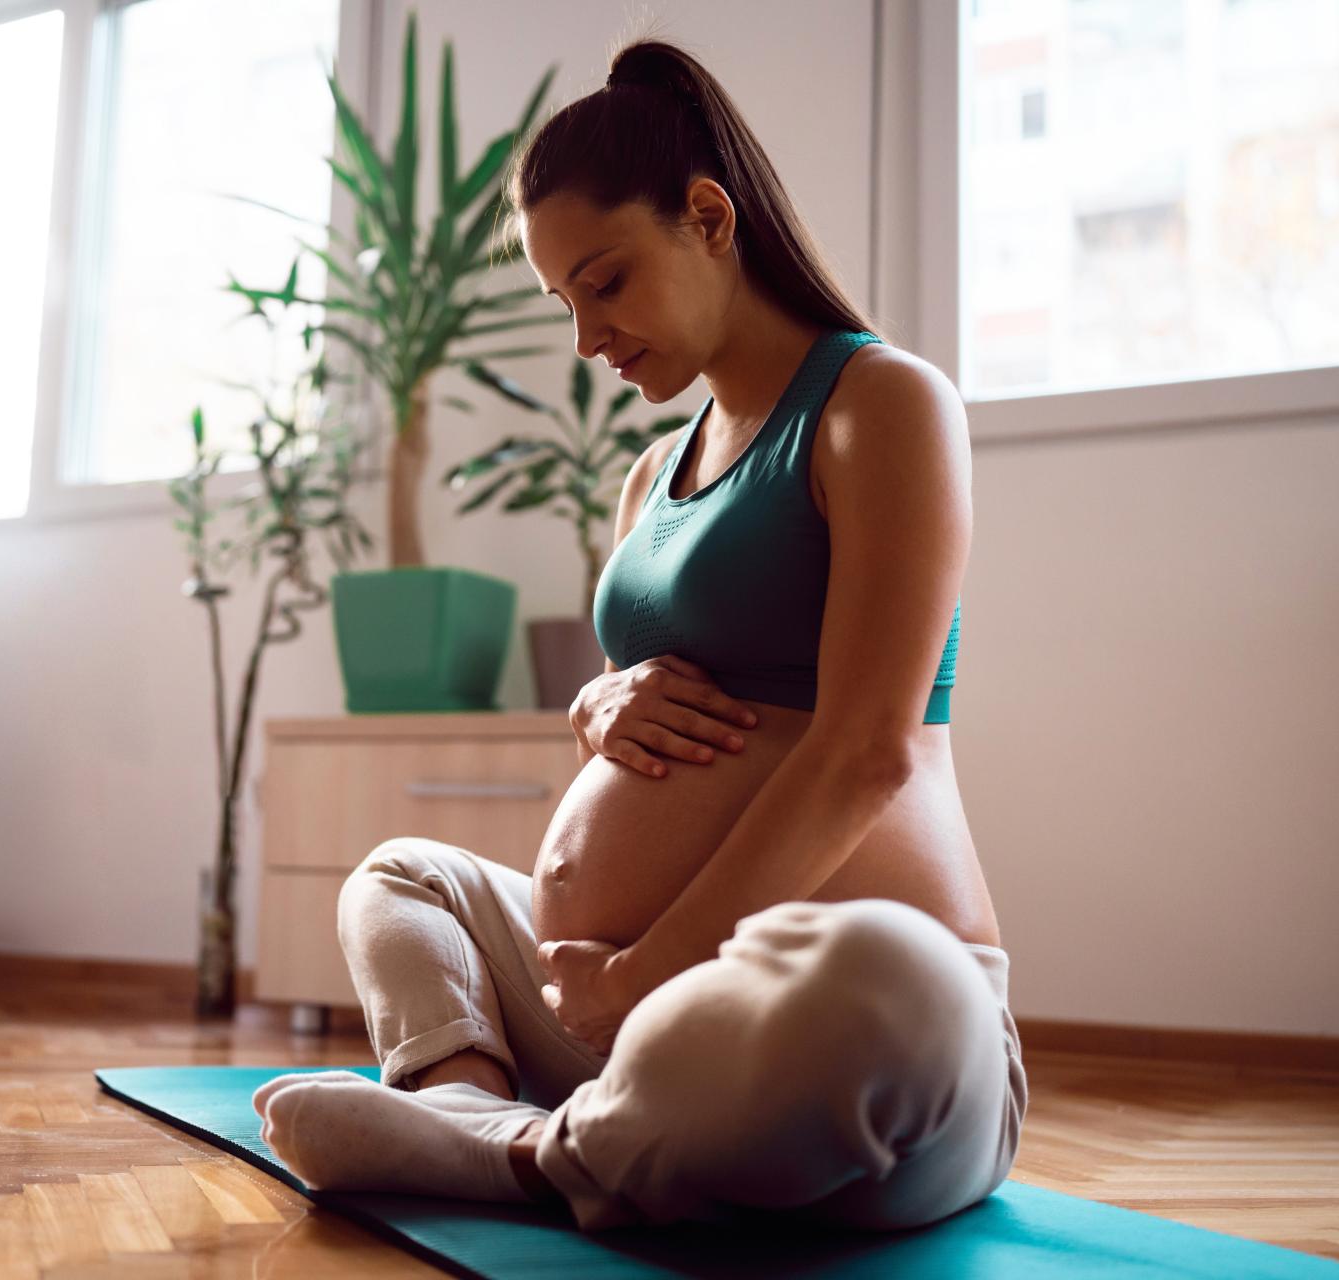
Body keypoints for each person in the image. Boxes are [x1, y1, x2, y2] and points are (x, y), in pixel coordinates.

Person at [253, 34, 1027, 1232]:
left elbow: (866, 750)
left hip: (843, 1029)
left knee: (885, 981)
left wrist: (646, 969)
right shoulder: (648, 477)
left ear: (708, 218)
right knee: (402, 878)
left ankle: (519, 1159)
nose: (585, 337)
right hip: (626, 1014)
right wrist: (596, 705)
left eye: (604, 283)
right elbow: (646, 724)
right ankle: (482, 1112)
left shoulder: (882, 405)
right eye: (564, 302)